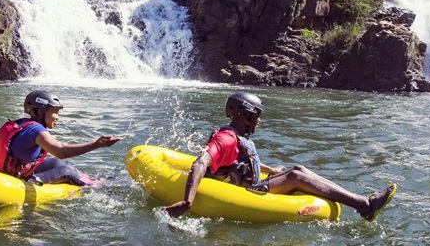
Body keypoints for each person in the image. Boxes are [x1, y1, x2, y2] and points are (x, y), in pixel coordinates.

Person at [164, 92, 397, 221]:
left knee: (298, 169)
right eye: (257, 116)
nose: (259, 120)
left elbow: (237, 162)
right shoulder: (226, 138)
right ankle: (365, 205)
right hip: (244, 193)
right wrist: (188, 201)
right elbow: (201, 162)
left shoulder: (236, 137)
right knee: (296, 175)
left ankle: (363, 205)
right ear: (245, 115)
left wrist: (270, 171)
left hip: (250, 185)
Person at [0, 90, 121, 186]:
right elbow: (61, 152)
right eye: (55, 112)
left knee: (60, 163)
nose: (57, 117)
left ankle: (90, 177)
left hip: (8, 169)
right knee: (67, 170)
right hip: (14, 178)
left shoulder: (23, 123)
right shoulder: (36, 130)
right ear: (40, 111)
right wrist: (96, 144)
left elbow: (60, 158)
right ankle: (97, 186)